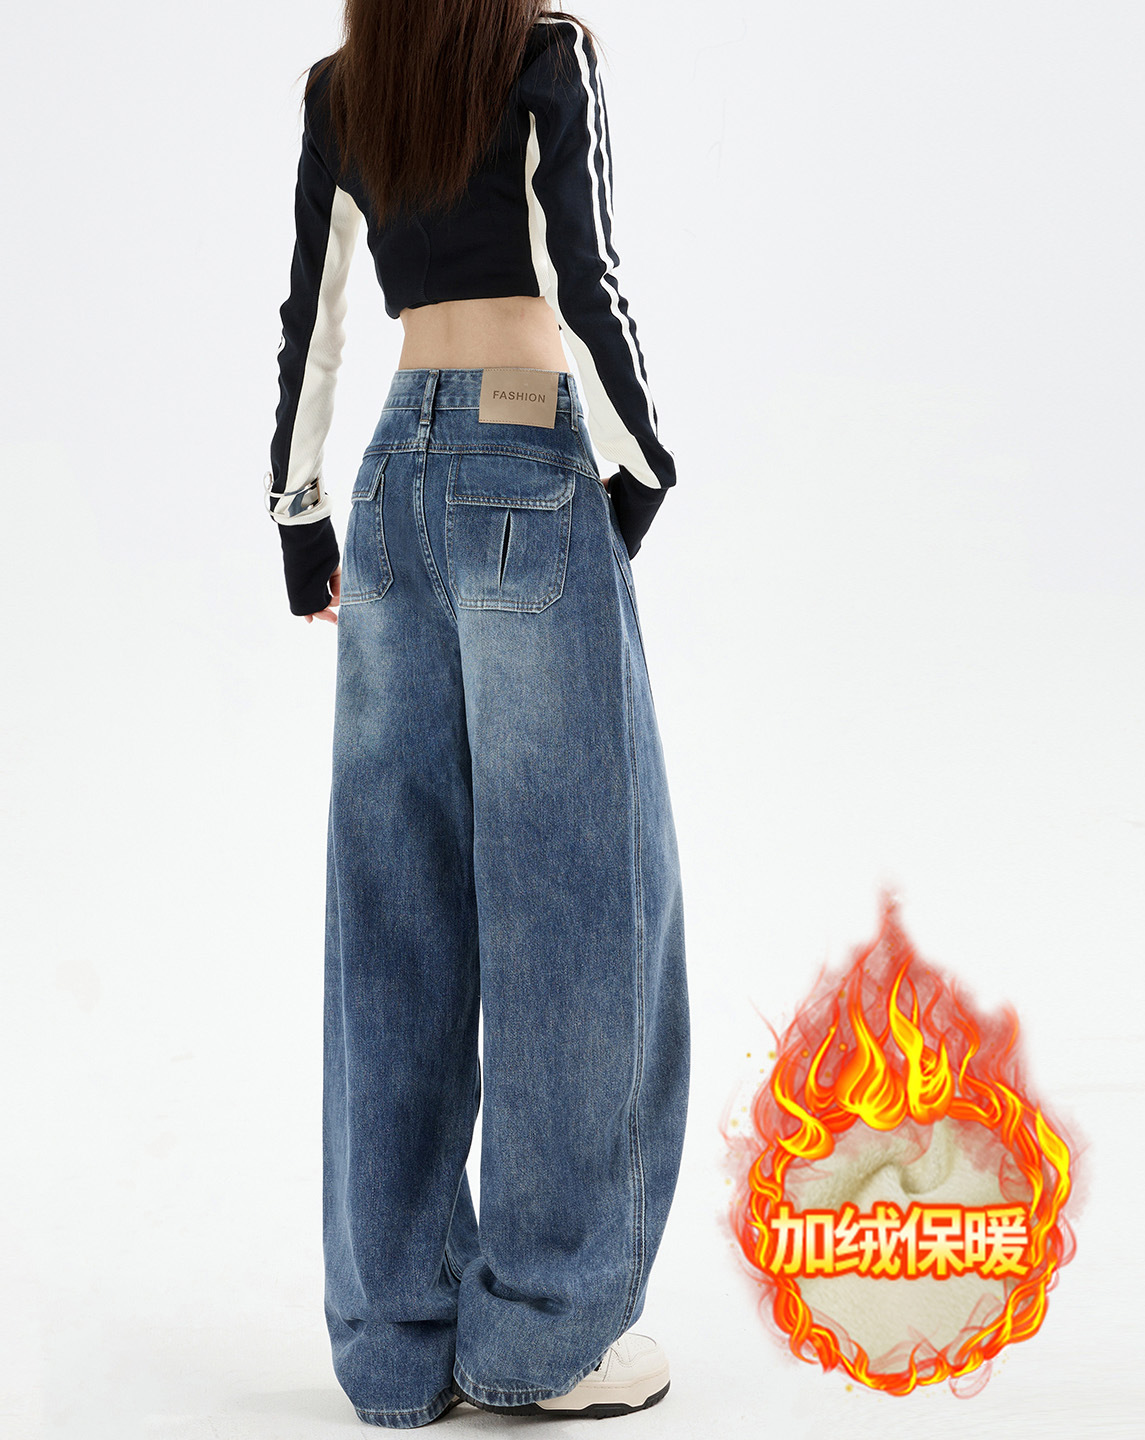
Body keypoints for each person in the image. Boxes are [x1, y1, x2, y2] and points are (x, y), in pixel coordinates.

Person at [266, 2, 690, 1427]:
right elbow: (583, 270)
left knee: (395, 914)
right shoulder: (543, 54)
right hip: (528, 457)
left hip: (389, 477)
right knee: (581, 904)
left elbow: (314, 305)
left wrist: (298, 508)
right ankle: (546, 1335)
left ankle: (398, 1340)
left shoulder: (347, 84)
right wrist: (641, 464)